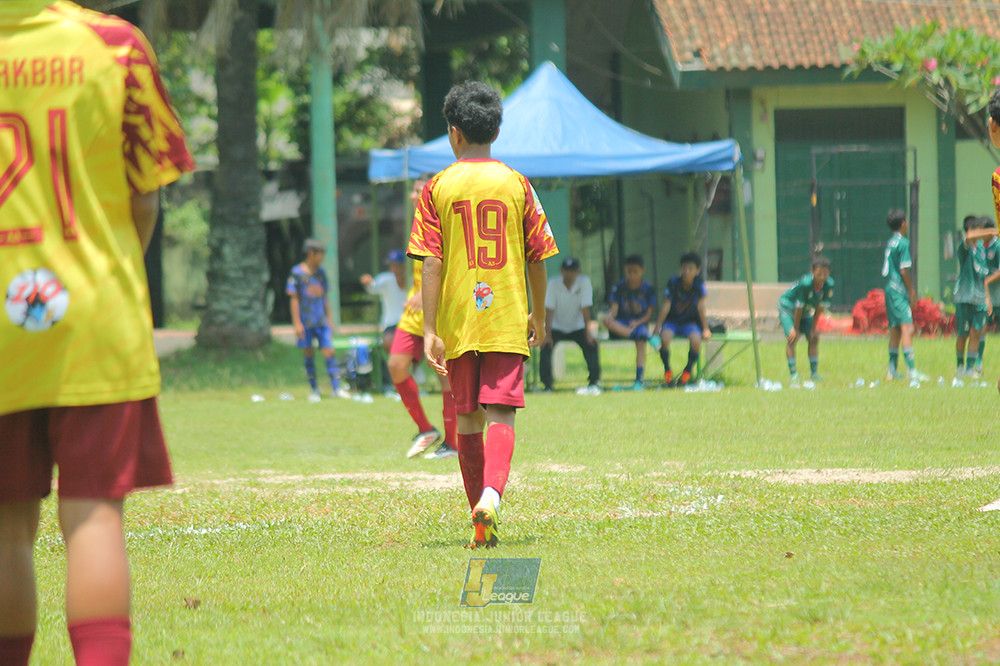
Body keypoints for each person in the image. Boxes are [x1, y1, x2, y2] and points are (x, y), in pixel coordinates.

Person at [0, 3, 195, 664]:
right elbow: (145, 197)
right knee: (94, 514)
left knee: (4, 528)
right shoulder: (113, 45)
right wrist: (111, 270)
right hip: (93, 321)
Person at [408, 81, 558, 548]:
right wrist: (537, 315)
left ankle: (480, 514)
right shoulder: (517, 184)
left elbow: (431, 261)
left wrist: (429, 329)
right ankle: (491, 497)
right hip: (505, 316)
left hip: (458, 321)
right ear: (496, 130)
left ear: (453, 133)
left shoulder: (437, 187)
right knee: (502, 415)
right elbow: (538, 256)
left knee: (468, 418)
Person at [389, 175, 457, 459]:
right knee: (396, 365)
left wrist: (425, 292)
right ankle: (425, 429)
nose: (413, 195)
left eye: (419, 190)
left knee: (446, 379)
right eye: (414, 190)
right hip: (415, 312)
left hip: (438, 310)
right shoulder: (417, 221)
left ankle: (452, 444)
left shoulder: (443, 221)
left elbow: (449, 266)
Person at [287, 239, 351, 402]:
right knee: (308, 352)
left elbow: (325, 297)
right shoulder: (297, 273)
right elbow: (294, 298)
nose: (322, 258)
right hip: (305, 321)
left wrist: (330, 319)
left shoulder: (321, 273)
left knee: (329, 351)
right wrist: (297, 323)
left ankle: (336, 388)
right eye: (320, 254)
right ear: (311, 253)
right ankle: (314, 389)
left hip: (321, 321)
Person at [539, 257, 601, 394]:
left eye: (572, 271)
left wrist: (588, 333)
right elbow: (549, 310)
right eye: (566, 271)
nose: (569, 274)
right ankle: (547, 385)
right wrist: (547, 335)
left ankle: (594, 382)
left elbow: (585, 309)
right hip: (557, 326)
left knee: (591, 345)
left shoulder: (584, 282)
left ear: (578, 272)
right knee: (545, 347)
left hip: (577, 327)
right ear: (562, 271)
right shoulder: (553, 284)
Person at [882, 208, 929, 383]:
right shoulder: (903, 243)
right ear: (904, 223)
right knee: (907, 328)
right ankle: (912, 371)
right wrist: (912, 291)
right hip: (898, 289)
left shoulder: (891, 242)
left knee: (895, 329)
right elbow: (904, 270)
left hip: (889, 288)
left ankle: (892, 371)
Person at [653, 252, 712, 387]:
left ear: (697, 270)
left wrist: (705, 328)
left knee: (696, 341)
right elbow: (666, 305)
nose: (686, 271)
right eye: (684, 268)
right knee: (665, 338)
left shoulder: (699, 284)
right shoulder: (673, 282)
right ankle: (667, 371)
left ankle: (687, 372)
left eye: (690, 268)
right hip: (672, 321)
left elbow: (701, 306)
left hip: (690, 322)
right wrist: (657, 328)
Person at [777, 256, 833, 387]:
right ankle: (793, 374)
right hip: (788, 308)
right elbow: (799, 307)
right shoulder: (806, 284)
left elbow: (820, 306)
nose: (822, 277)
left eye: (825, 274)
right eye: (819, 274)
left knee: (814, 337)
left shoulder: (829, 284)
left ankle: (814, 373)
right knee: (792, 337)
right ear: (812, 271)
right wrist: (795, 329)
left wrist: (813, 328)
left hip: (805, 311)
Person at [603, 254, 656, 390]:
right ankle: (643, 337)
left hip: (639, 324)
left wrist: (637, 322)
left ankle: (639, 379)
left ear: (642, 271)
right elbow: (614, 309)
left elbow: (649, 313)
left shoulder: (647, 288)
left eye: (635, 272)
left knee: (640, 342)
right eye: (629, 272)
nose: (631, 275)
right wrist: (609, 316)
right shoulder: (619, 286)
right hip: (622, 325)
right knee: (608, 322)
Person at [953, 216, 995, 380]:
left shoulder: (981, 250)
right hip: (965, 298)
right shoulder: (965, 247)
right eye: (980, 230)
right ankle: (960, 366)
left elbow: (984, 277)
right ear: (971, 230)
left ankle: (970, 368)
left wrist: (987, 298)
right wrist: (993, 231)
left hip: (979, 298)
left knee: (976, 332)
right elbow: (969, 238)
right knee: (963, 334)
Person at [360, 249, 408, 354]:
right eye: (392, 265)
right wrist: (367, 282)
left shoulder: (413, 280)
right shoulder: (386, 279)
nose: (395, 269)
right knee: (390, 342)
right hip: (391, 325)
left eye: (398, 265)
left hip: (411, 324)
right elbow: (373, 287)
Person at [977, 216, 999, 375]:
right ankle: (978, 362)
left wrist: (987, 281)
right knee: (982, 327)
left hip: (998, 296)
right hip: (985, 297)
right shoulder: (979, 247)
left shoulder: (998, 246)